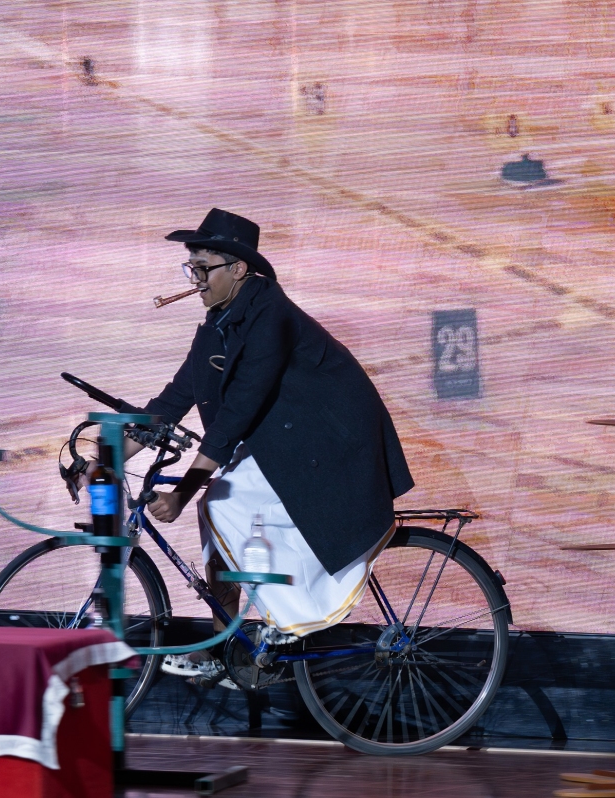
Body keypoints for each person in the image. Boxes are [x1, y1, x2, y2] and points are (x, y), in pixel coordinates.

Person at [140, 209, 415, 655]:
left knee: (221, 501)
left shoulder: (272, 317)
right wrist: (104, 456)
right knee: (219, 518)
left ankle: (288, 621)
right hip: (290, 441)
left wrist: (183, 493)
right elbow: (171, 403)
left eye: (203, 268)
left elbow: (237, 413)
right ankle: (224, 648)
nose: (196, 280)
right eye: (191, 269)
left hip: (334, 445)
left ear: (238, 269)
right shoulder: (218, 325)